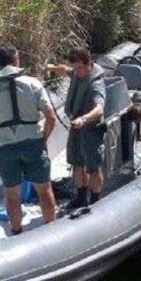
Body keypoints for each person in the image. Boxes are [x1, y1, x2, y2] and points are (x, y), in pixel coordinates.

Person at [0, 45, 57, 235]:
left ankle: (17, 231)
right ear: (16, 60)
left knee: (12, 195)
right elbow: (51, 117)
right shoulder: (32, 83)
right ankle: (52, 229)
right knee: (44, 189)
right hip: (33, 143)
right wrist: (43, 137)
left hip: (5, 146)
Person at [49, 47, 106, 209]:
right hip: (76, 126)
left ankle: (95, 201)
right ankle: (81, 197)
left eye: (79, 68)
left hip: (90, 129)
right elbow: (68, 71)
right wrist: (55, 69)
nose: (76, 71)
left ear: (89, 64)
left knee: (93, 168)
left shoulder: (96, 84)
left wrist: (84, 119)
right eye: (74, 68)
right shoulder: (77, 73)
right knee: (76, 163)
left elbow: (99, 109)